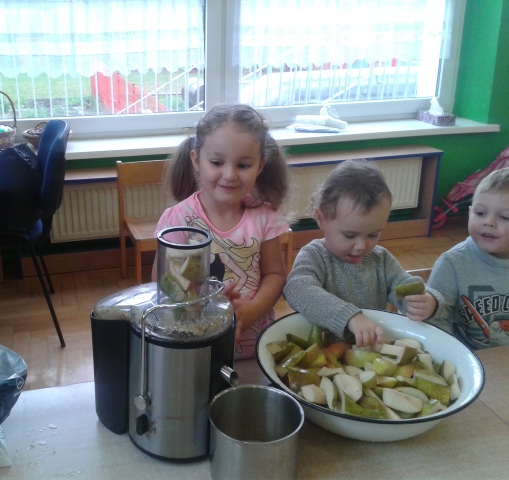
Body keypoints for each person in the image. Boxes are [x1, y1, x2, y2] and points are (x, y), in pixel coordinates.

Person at [154, 104, 291, 359]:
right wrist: (204, 304)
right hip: (195, 347)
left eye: (243, 165)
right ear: (196, 160)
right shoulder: (178, 220)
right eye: (217, 162)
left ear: (260, 166)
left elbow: (275, 275)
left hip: (253, 348)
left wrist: (251, 311)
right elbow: (165, 286)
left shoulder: (265, 216)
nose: (230, 175)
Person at [283, 160, 444, 347]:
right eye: (350, 235)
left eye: (373, 235)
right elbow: (297, 289)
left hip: (370, 353)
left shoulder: (380, 259)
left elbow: (406, 286)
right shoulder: (314, 256)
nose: (361, 246)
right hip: (322, 352)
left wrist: (429, 301)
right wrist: (349, 317)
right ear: (321, 219)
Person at [427, 167, 509, 349]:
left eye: (505, 217)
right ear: (470, 212)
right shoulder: (452, 263)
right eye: (480, 213)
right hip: (468, 358)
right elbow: (434, 321)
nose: (488, 222)